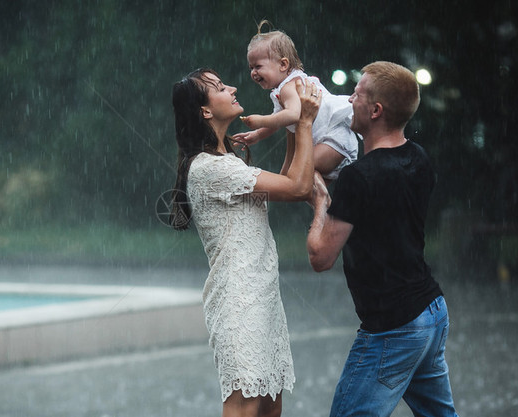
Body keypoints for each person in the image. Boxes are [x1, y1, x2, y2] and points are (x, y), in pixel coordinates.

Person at [306, 61, 459, 417]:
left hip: (395, 325)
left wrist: (321, 204)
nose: (349, 99)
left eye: (357, 94)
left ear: (375, 111)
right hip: (431, 313)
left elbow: (320, 257)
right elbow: (381, 207)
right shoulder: (418, 159)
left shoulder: (359, 178)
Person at [170, 68, 320, 417]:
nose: (233, 88)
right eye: (221, 88)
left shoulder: (228, 161)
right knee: (245, 406)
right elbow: (299, 188)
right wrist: (306, 123)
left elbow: (286, 182)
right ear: (205, 111)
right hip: (239, 298)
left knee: (269, 404)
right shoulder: (209, 168)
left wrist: (291, 124)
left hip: (262, 295)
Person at [232, 20, 360, 181]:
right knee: (304, 180)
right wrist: (258, 135)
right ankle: (323, 201)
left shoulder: (289, 87)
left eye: (258, 66)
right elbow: (279, 118)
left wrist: (261, 120)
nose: (253, 73)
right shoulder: (288, 85)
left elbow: (292, 115)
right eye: (251, 68)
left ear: (283, 64)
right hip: (332, 141)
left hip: (333, 141)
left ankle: (323, 200)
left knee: (299, 173)